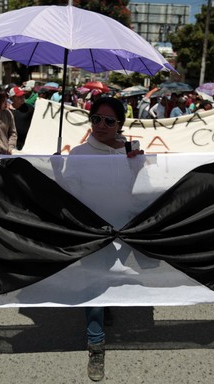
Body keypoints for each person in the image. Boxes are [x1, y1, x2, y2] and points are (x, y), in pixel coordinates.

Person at [69, 97, 143, 381]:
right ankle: (96, 344)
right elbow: (70, 193)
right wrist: (54, 167)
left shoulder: (132, 152)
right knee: (94, 288)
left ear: (120, 124)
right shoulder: (78, 154)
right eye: (96, 119)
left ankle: (107, 303)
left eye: (109, 121)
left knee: (113, 277)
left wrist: (138, 164)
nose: (101, 125)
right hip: (93, 231)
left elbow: (142, 188)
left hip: (125, 228)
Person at [8, 86, 34, 151]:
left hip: (25, 144)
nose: (22, 98)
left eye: (23, 96)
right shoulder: (7, 110)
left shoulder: (30, 108)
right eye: (19, 96)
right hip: (11, 143)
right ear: (12, 98)